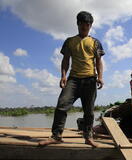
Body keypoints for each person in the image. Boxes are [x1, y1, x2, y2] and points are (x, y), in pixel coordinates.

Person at [39, 11, 105, 148]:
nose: (85, 27)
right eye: (82, 24)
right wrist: (63, 76)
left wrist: (100, 77)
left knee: (89, 111)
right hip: (73, 80)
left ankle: (88, 137)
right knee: (62, 105)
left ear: (91, 25)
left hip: (90, 80)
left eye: (88, 25)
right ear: (78, 24)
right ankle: (56, 136)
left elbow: (99, 61)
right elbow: (65, 60)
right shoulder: (70, 41)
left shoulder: (95, 42)